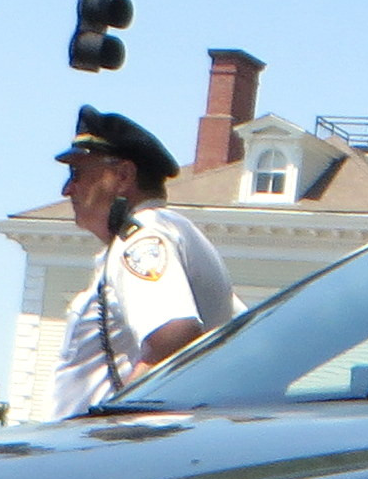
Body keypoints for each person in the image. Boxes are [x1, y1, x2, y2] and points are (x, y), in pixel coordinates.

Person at [54, 107, 234, 416]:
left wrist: (117, 420)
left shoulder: (142, 239)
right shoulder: (168, 230)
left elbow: (173, 335)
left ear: (123, 176)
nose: (67, 189)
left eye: (77, 174)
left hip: (114, 451)